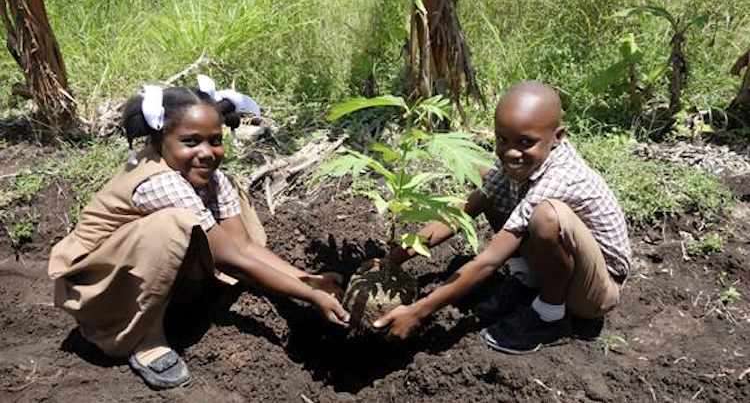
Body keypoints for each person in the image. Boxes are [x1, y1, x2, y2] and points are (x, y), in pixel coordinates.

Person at [48, 78, 349, 389]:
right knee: (173, 225)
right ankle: (144, 340)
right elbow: (231, 256)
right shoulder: (160, 182)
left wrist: (309, 280)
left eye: (215, 140)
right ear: (160, 138)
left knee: (224, 201)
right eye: (191, 142)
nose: (207, 153)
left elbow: (242, 244)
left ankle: (181, 299)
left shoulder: (212, 178)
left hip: (139, 273)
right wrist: (310, 296)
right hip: (99, 289)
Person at [372, 81, 631, 354]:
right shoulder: (520, 161)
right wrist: (392, 259)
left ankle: (549, 316)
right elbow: (461, 213)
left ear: (558, 137)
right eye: (502, 140)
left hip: (595, 292)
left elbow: (491, 260)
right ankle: (525, 281)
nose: (510, 152)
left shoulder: (560, 176)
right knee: (489, 184)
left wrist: (419, 311)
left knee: (547, 217)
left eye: (525, 142)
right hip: (566, 267)